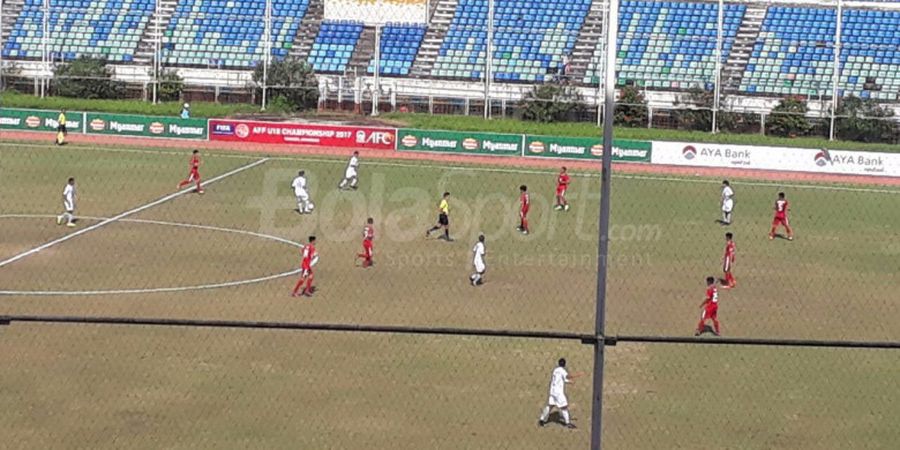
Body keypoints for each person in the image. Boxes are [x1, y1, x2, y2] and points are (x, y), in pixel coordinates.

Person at [538, 358, 582, 429]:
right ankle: (568, 423)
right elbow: (567, 376)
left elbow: (562, 379)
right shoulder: (562, 371)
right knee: (564, 407)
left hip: (552, 391)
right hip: (558, 393)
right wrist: (577, 375)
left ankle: (541, 419)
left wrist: (570, 382)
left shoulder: (555, 370)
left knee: (550, 406)